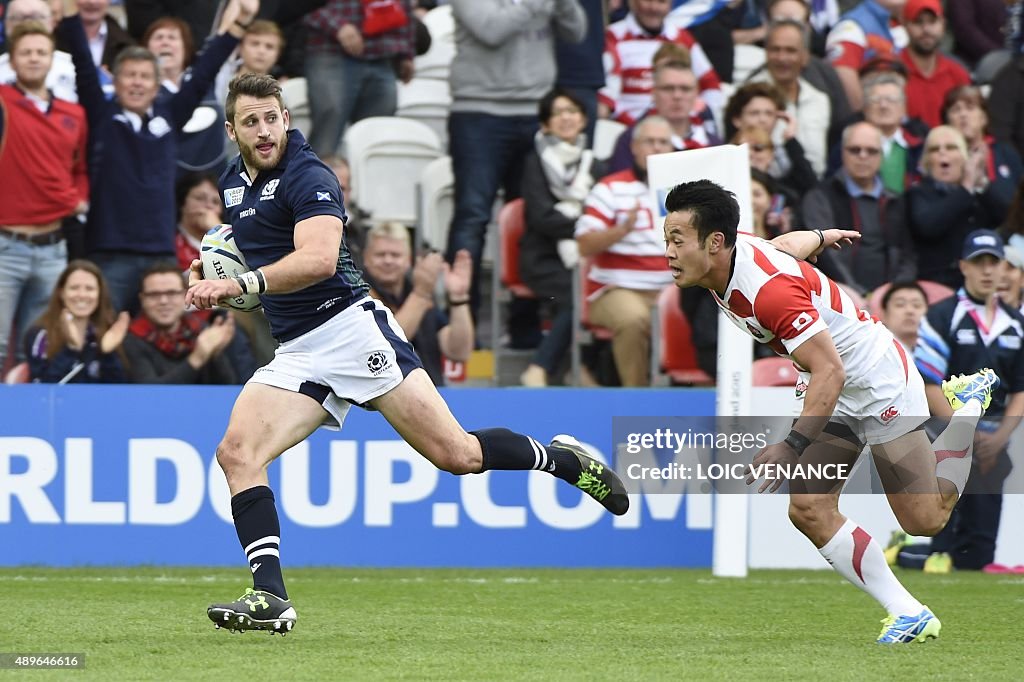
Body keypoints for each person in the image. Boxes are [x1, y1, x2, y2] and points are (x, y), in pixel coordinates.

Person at [186, 73, 629, 634]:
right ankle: (270, 596)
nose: (265, 129)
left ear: (287, 119)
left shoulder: (309, 174)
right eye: (251, 121)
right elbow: (249, 240)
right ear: (233, 130)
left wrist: (238, 286)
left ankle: (565, 460)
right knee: (237, 452)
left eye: (272, 117)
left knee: (458, 455)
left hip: (352, 330)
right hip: (298, 348)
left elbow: (319, 260)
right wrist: (212, 268)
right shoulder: (232, 182)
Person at [663, 178, 999, 643]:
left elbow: (832, 373)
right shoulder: (733, 259)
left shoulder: (769, 294)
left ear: (715, 242)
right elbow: (785, 245)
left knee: (925, 520)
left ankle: (967, 410)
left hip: (875, 380)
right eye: (667, 239)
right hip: (830, 378)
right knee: (808, 507)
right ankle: (907, 611)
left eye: (677, 240)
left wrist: (791, 445)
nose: (669, 252)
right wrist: (823, 236)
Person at [57, 0, 258, 312]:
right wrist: (70, 11)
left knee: (160, 333)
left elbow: (205, 71)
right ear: (116, 81)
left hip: (160, 254)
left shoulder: (170, 114)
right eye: (130, 75)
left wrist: (239, 26)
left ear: (155, 85)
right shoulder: (101, 115)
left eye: (144, 77)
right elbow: (83, 61)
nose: (137, 82)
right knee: (107, 336)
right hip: (108, 252)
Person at [444, 0, 586, 325]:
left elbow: (576, 32)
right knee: (472, 215)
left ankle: (525, 326)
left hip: (536, 110)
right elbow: (492, 30)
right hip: (478, 112)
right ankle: (461, 321)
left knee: (531, 218)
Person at [902, 231, 1024, 572]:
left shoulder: (1017, 324)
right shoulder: (941, 316)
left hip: (993, 441)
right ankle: (909, 553)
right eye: (978, 262)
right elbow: (928, 384)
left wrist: (999, 437)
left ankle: (962, 559)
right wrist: (966, 431)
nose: (987, 271)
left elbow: (1020, 390)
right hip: (945, 432)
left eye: (994, 262)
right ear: (963, 267)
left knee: (981, 551)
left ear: (1004, 268)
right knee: (942, 539)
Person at [0, 21, 89, 369]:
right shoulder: (4, 102)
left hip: (54, 249)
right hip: (6, 247)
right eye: (26, 53)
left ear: (53, 59)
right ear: (12, 59)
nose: (34, 59)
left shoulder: (74, 114)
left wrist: (77, 197)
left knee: (35, 351)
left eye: (41, 52)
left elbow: (79, 169)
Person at [575, 115, 674, 387]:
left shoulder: (685, 190)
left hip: (674, 289)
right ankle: (638, 398)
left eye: (663, 142)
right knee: (634, 319)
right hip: (617, 289)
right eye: (649, 142)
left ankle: (700, 393)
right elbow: (584, 244)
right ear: (634, 147)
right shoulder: (609, 188)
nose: (656, 148)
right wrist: (621, 230)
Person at [519, 88, 597, 386]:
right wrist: (587, 227)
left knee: (601, 288)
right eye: (558, 112)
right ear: (545, 124)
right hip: (543, 256)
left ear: (584, 119)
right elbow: (542, 217)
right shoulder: (534, 162)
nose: (566, 117)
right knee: (577, 293)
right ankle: (539, 368)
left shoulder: (594, 162)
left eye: (572, 111)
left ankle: (583, 368)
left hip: (587, 254)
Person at [800, 121, 915, 295]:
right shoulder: (820, 197)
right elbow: (825, 254)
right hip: (837, 298)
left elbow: (908, 256)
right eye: (855, 150)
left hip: (889, 302)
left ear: (881, 156)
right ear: (842, 152)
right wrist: (854, 294)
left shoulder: (895, 201)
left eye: (871, 151)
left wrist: (891, 295)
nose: (863, 156)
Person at [362, 222, 474, 387]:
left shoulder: (418, 289)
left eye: (395, 255)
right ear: (366, 258)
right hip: (381, 398)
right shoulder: (357, 295)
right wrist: (421, 294)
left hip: (432, 394)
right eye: (380, 255)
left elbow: (459, 351)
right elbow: (387, 343)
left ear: (408, 260)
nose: (388, 260)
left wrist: (459, 299)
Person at [302, 0, 416, 157]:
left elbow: (406, 8)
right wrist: (338, 25)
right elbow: (297, 6)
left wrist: (406, 53)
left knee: (375, 141)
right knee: (327, 134)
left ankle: (369, 180)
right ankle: (314, 181)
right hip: (331, 51)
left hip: (382, 56)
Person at [907, 125, 1010, 290]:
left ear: (964, 158)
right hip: (937, 286)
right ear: (927, 161)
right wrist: (966, 187)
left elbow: (1006, 219)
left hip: (979, 285)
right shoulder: (918, 193)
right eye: (934, 149)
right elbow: (928, 226)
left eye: (951, 147)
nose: (942, 152)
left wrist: (980, 182)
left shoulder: (980, 193)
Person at [600, 0, 724, 125]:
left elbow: (711, 84)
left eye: (661, 2)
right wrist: (636, 127)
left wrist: (701, 117)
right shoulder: (613, 36)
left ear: (670, 4)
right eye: (647, 1)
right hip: (626, 128)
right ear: (632, 3)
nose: (654, 8)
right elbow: (607, 97)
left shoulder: (681, 37)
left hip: (679, 128)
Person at [123, 262, 239, 384]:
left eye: (172, 293)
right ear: (142, 299)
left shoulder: (202, 331)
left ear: (185, 295)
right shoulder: (131, 339)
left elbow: (227, 389)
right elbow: (151, 395)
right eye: (154, 294)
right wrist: (197, 358)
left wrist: (216, 353)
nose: (164, 301)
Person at [746, 18, 832, 176]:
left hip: (812, 188)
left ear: (805, 57)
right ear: (765, 53)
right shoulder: (748, 95)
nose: (782, 58)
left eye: (790, 50)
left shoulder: (819, 99)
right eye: (775, 49)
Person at [24, 259, 129, 383]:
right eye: (74, 288)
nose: (82, 295)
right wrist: (71, 350)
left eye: (89, 289)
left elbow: (119, 394)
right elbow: (44, 390)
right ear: (61, 293)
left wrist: (108, 354)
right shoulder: (40, 334)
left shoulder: (107, 334)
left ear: (100, 295)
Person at [897, 0, 969, 129]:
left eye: (932, 21)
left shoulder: (958, 74)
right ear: (905, 25)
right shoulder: (892, 71)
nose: (926, 29)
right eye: (918, 22)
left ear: (943, 24)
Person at [826, 0, 907, 111]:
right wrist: (863, 120)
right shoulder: (852, 25)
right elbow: (843, 77)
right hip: (870, 119)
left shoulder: (897, 24)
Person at [879, 280, 928, 353]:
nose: (910, 311)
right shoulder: (875, 351)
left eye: (917, 305)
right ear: (884, 315)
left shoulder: (938, 354)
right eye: (900, 304)